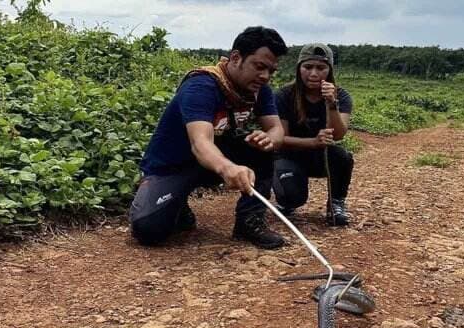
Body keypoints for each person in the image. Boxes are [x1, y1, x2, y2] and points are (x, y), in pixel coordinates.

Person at [129, 26, 288, 249]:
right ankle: (170, 199)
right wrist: (228, 168)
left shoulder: (259, 90)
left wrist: (269, 139)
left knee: (261, 148)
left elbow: (277, 130)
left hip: (211, 161)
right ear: (235, 58)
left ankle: (249, 222)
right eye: (259, 67)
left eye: (271, 71)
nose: (265, 76)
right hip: (174, 164)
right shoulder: (201, 86)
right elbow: (200, 142)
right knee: (149, 230)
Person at [273, 43, 353, 226]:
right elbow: (279, 139)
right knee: (293, 197)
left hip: (319, 157)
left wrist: (332, 104)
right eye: (308, 67)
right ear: (299, 69)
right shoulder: (284, 95)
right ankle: (287, 200)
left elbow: (339, 134)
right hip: (289, 154)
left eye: (321, 68)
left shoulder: (341, 95)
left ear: (329, 70)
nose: (314, 74)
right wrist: (312, 142)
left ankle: (336, 202)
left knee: (343, 157)